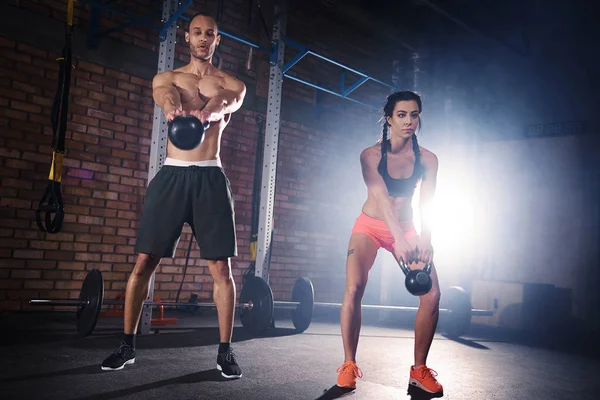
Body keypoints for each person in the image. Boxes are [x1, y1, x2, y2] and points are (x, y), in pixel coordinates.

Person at [101, 12, 247, 379]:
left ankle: (225, 352)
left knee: (221, 269)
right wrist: (172, 108)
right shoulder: (166, 78)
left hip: (211, 176)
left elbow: (227, 103)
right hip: (172, 174)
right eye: (196, 32)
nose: (202, 38)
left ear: (218, 40)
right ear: (186, 37)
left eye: (209, 34)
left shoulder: (232, 83)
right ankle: (127, 345)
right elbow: (164, 94)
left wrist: (206, 114)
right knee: (144, 261)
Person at [335, 91, 443, 395]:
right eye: (402, 115)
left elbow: (427, 202)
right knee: (354, 287)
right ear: (389, 119)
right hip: (370, 225)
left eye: (414, 115)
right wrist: (397, 238)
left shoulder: (429, 160)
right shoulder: (369, 155)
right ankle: (348, 365)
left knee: (432, 294)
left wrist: (426, 238)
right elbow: (381, 199)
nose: (409, 121)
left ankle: (419, 371)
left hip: (406, 227)